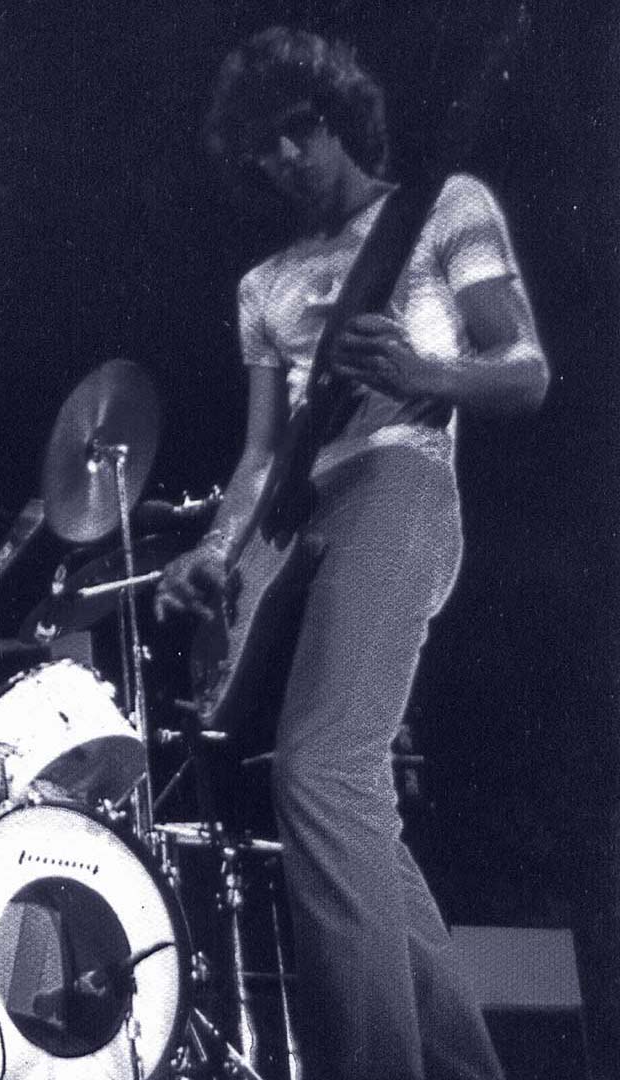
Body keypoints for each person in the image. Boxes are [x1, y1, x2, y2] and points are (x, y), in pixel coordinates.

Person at [156, 28, 547, 1080]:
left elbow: (525, 370)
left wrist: (430, 373)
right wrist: (215, 551)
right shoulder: (264, 284)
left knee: (323, 768)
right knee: (348, 801)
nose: (284, 158)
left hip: (401, 481)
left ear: (335, 115)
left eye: (296, 130)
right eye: (262, 150)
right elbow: (259, 457)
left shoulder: (444, 207)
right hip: (295, 522)